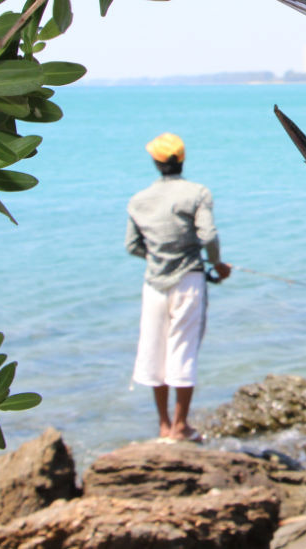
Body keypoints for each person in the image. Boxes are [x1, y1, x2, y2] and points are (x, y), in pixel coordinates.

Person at [125, 132, 231, 442]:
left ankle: (162, 425)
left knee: (154, 351)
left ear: (155, 162)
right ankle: (181, 427)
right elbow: (208, 236)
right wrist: (217, 264)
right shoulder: (197, 193)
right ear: (181, 159)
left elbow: (132, 246)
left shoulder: (138, 200)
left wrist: (157, 256)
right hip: (189, 280)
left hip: (154, 284)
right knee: (182, 349)